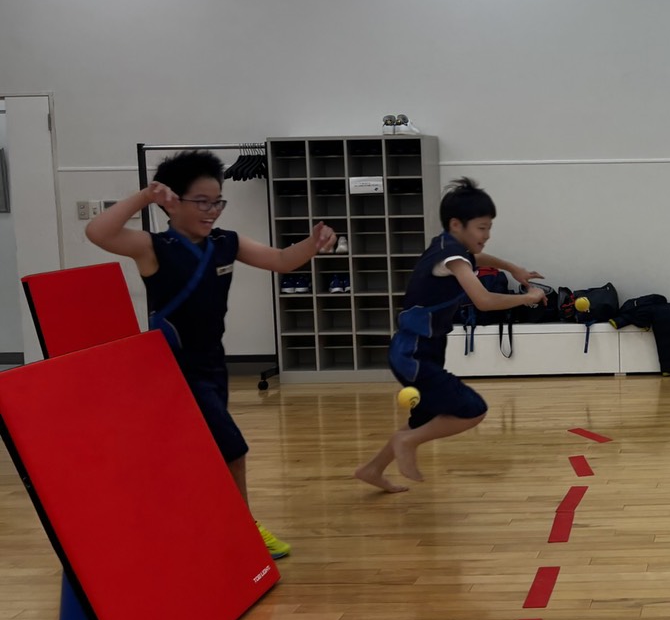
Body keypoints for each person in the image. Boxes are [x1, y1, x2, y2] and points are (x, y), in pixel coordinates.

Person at [86, 149, 336, 558]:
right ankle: (242, 528)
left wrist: (312, 242)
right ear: (172, 202)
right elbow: (98, 232)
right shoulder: (154, 247)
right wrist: (144, 196)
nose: (212, 211)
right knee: (232, 449)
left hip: (213, 364)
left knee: (198, 449)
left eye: (217, 201)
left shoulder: (226, 243)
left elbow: (281, 260)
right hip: (171, 368)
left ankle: (190, 524)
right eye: (201, 202)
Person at [355, 177, 545, 492]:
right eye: (481, 227)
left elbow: (476, 259)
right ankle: (407, 442)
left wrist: (513, 268)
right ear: (457, 224)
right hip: (414, 355)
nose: (487, 235)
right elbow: (484, 300)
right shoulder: (452, 257)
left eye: (489, 227)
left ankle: (373, 469)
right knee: (472, 410)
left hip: (417, 352)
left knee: (423, 419)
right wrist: (528, 298)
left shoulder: (447, 247)